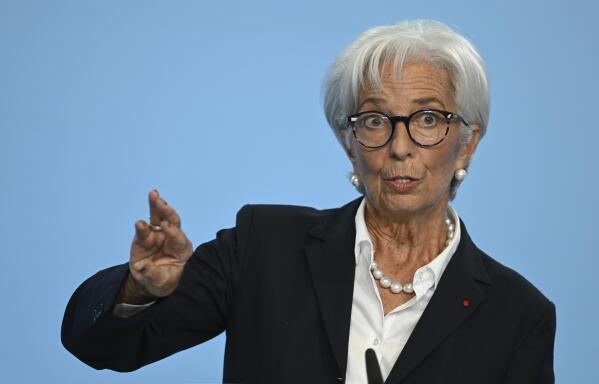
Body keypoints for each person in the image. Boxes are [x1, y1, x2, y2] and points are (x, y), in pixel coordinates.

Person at [61, 20, 556, 383]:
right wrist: (140, 290)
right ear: (349, 141)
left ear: (466, 141)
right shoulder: (264, 247)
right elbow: (104, 349)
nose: (400, 146)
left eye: (427, 119)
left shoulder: (518, 315)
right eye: (376, 121)